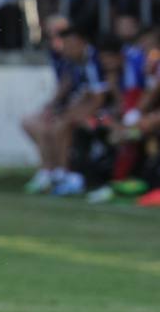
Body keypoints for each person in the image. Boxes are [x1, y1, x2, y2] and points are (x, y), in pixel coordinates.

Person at [22, 21, 108, 196]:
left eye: (70, 45)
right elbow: (65, 86)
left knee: (60, 125)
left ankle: (65, 174)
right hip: (75, 108)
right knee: (31, 123)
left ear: (82, 43)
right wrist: (51, 107)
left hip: (102, 115)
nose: (66, 49)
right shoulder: (69, 60)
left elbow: (98, 100)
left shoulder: (92, 60)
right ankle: (48, 171)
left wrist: (70, 115)